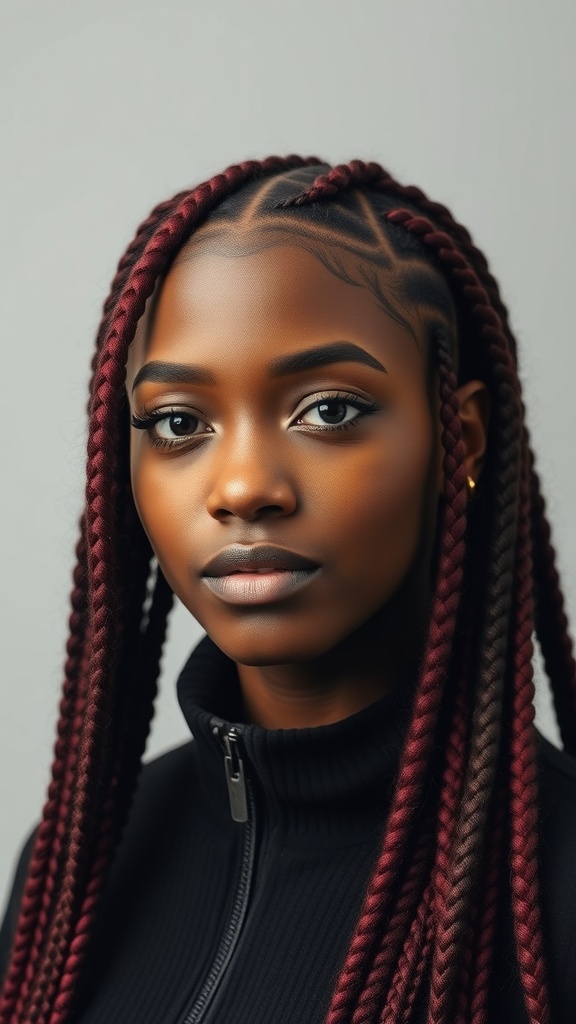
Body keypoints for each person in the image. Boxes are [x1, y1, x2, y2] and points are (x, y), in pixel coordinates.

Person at [0, 157, 575, 1024]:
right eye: (179, 423)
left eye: (329, 410)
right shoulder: (72, 874)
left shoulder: (556, 884)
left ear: (459, 440)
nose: (242, 487)